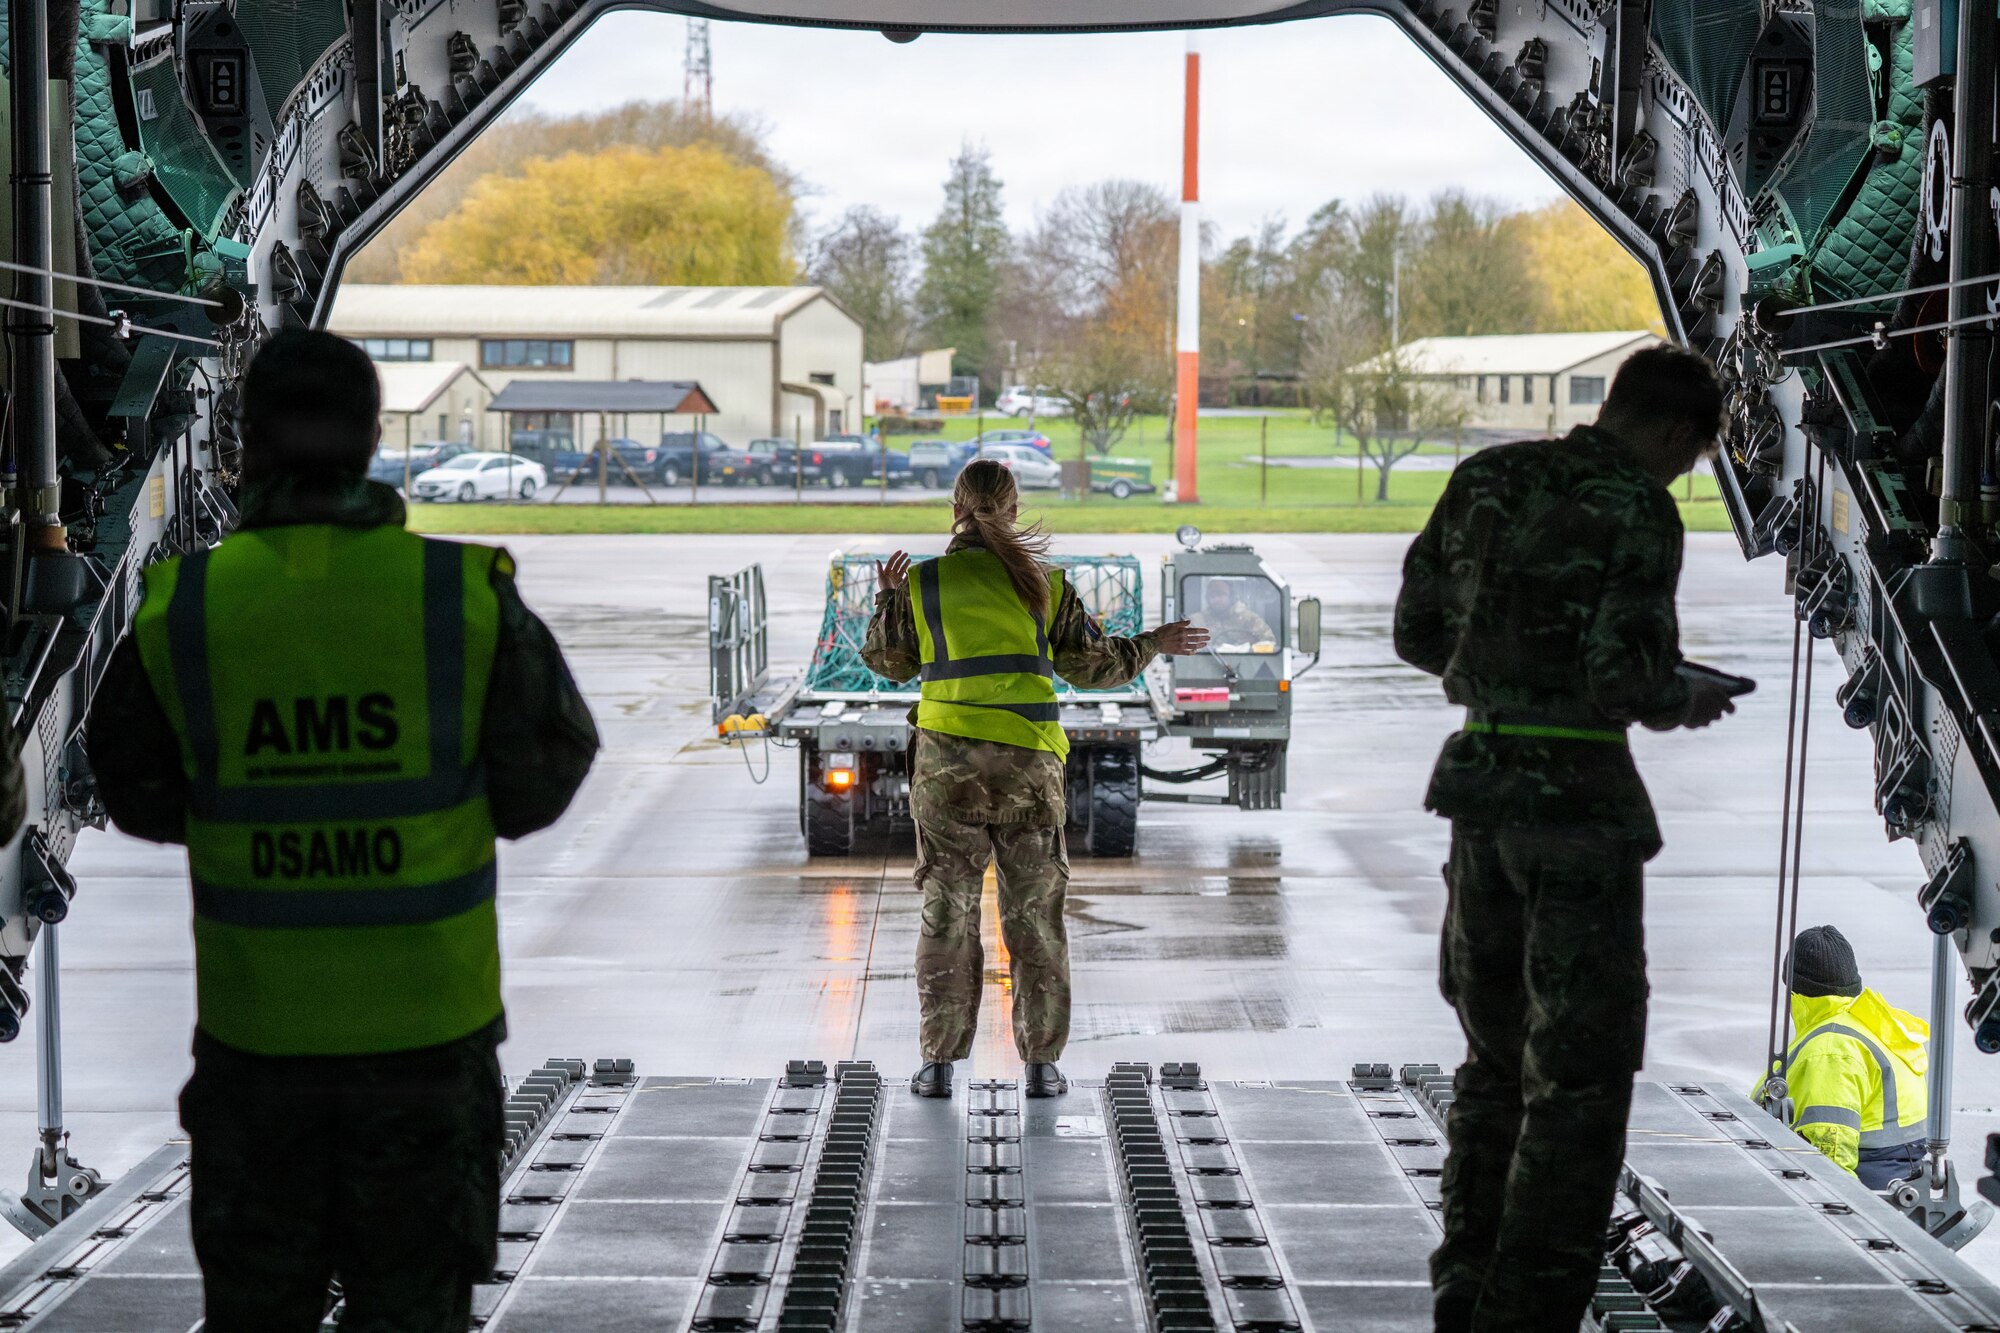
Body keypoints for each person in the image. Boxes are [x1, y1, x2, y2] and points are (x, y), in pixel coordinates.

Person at [85, 329, 600, 1333]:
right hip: (426, 1063)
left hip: (257, 1059)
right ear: (372, 438)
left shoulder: (183, 609)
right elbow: (546, 774)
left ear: (246, 444)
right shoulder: (460, 598)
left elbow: (135, 791)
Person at [1392, 344, 1739, 1333]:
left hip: (1478, 798)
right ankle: (1528, 1315)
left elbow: (1417, 634)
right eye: (1689, 456)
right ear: (1675, 432)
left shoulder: (1483, 479)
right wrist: (1687, 695)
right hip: (1575, 814)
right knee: (1575, 1081)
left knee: (1493, 1063)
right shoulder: (1636, 506)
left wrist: (1502, 671)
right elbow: (1619, 680)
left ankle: (1464, 1289)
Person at [861, 458, 1208, 1099]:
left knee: (947, 917)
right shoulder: (1044, 584)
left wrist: (887, 597)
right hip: (1028, 776)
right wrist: (1155, 641)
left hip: (946, 777)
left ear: (954, 509)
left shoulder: (926, 583)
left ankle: (939, 1065)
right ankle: (1042, 1067)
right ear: (1014, 510)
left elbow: (887, 665)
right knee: (1035, 921)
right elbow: (1096, 669)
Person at [1773, 925, 1931, 1188]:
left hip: (1870, 1175)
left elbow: (1831, 1155)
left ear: (1795, 990)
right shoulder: (1871, 1024)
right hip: (1901, 1167)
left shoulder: (1831, 1050)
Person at [1192, 577, 1275, 645]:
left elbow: (1269, 642)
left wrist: (1251, 644)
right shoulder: (1196, 621)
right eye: (1212, 595)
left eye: (1221, 594)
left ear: (1232, 597)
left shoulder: (1250, 619)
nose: (1216, 599)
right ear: (1207, 598)